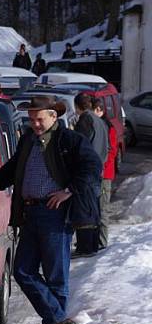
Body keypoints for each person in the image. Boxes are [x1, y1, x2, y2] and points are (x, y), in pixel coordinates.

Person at [0, 95, 102, 324]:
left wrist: (69, 190)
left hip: (54, 213)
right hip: (30, 212)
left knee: (55, 274)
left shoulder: (70, 140)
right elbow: (12, 168)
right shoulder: (29, 140)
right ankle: (57, 319)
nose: (35, 124)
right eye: (31, 119)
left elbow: (92, 165)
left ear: (54, 116)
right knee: (22, 270)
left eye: (39, 119)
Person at [72, 92, 109, 257]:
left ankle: (86, 247)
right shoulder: (100, 121)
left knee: (85, 209)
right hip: (98, 169)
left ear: (77, 107)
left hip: (87, 171)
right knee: (94, 208)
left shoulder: (85, 119)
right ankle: (92, 244)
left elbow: (79, 144)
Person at [93, 97, 117, 250]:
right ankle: (94, 240)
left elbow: (112, 152)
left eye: (95, 111)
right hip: (97, 173)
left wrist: (101, 168)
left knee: (102, 209)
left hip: (104, 174)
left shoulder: (108, 127)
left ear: (101, 111)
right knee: (95, 208)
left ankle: (102, 241)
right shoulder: (97, 125)